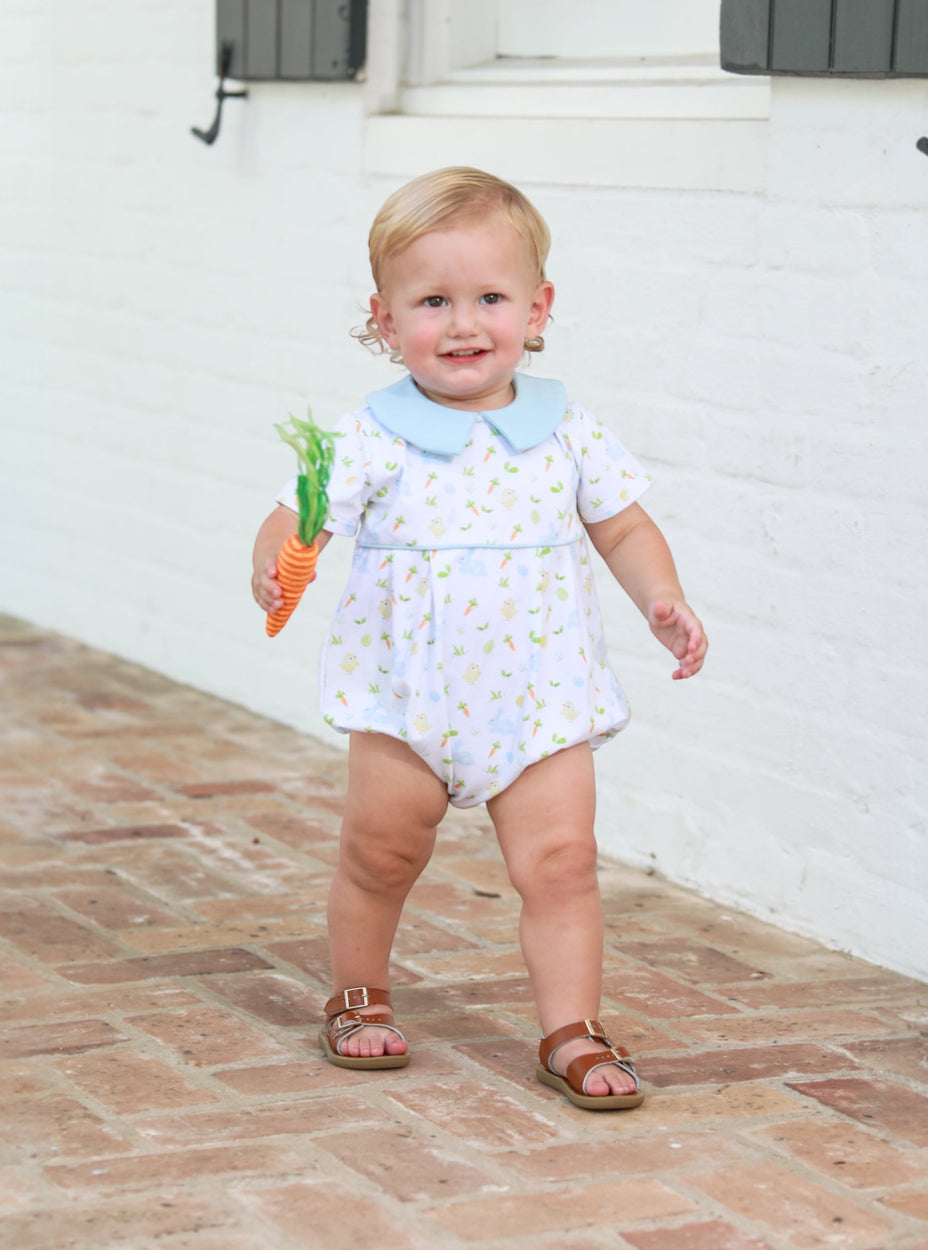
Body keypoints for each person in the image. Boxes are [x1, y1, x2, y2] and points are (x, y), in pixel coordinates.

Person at [251, 167, 707, 1110]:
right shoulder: (369, 436)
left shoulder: (568, 431)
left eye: (490, 299)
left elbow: (623, 527)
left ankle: (571, 1028)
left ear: (536, 310)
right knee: (380, 856)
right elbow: (300, 516)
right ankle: (358, 992)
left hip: (540, 700)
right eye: (433, 302)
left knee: (563, 863)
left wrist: (661, 597)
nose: (463, 324)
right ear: (385, 320)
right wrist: (278, 558)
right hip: (405, 699)